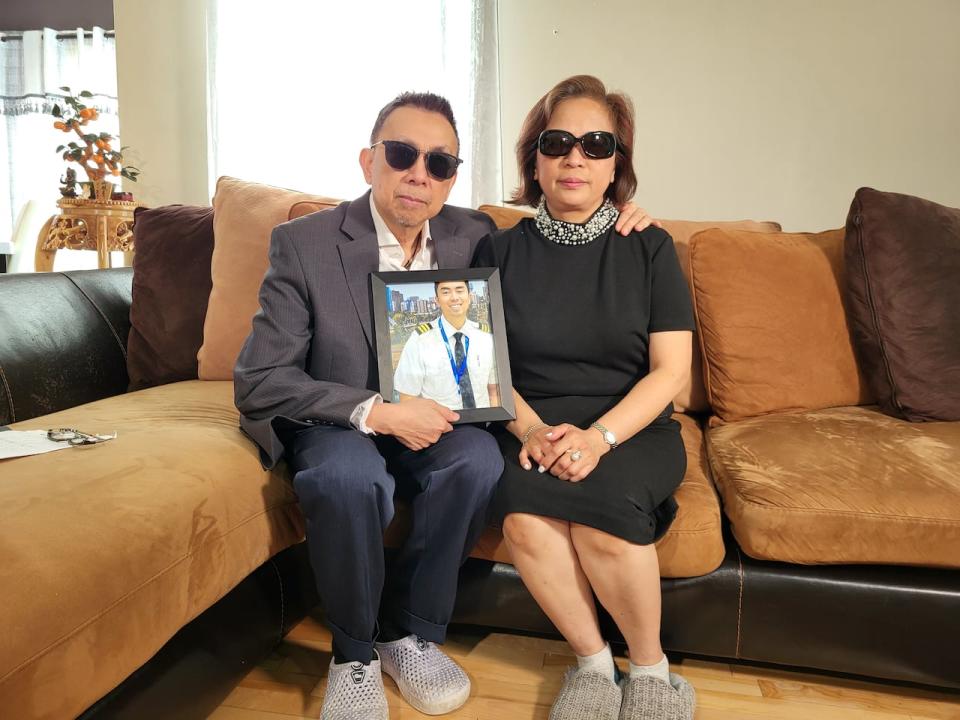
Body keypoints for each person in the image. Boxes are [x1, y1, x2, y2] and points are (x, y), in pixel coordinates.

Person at [234, 92, 504, 720]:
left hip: (437, 415)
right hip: (341, 418)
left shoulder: (474, 235)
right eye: (403, 154)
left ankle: (407, 634)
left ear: (452, 178)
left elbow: (558, 237)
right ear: (368, 160)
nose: (420, 173)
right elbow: (259, 380)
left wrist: (622, 210)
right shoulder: (302, 243)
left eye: (439, 163)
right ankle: (353, 656)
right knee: (347, 477)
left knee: (479, 461)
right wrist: (375, 411)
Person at [472, 75, 697, 720]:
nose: (576, 157)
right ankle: (593, 664)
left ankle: (652, 672)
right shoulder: (499, 249)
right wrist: (531, 432)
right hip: (533, 422)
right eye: (558, 142)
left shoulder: (649, 247)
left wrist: (599, 439)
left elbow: (670, 373)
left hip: (631, 428)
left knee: (599, 512)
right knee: (523, 514)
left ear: (615, 164)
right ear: (535, 161)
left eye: (596, 143)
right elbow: (484, 364)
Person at [393, 280, 499, 409]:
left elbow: (494, 392)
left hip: (485, 420)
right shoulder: (420, 339)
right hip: (441, 424)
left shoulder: (486, 337)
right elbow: (407, 397)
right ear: (437, 300)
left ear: (470, 297)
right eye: (446, 292)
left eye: (460, 291)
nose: (454, 298)